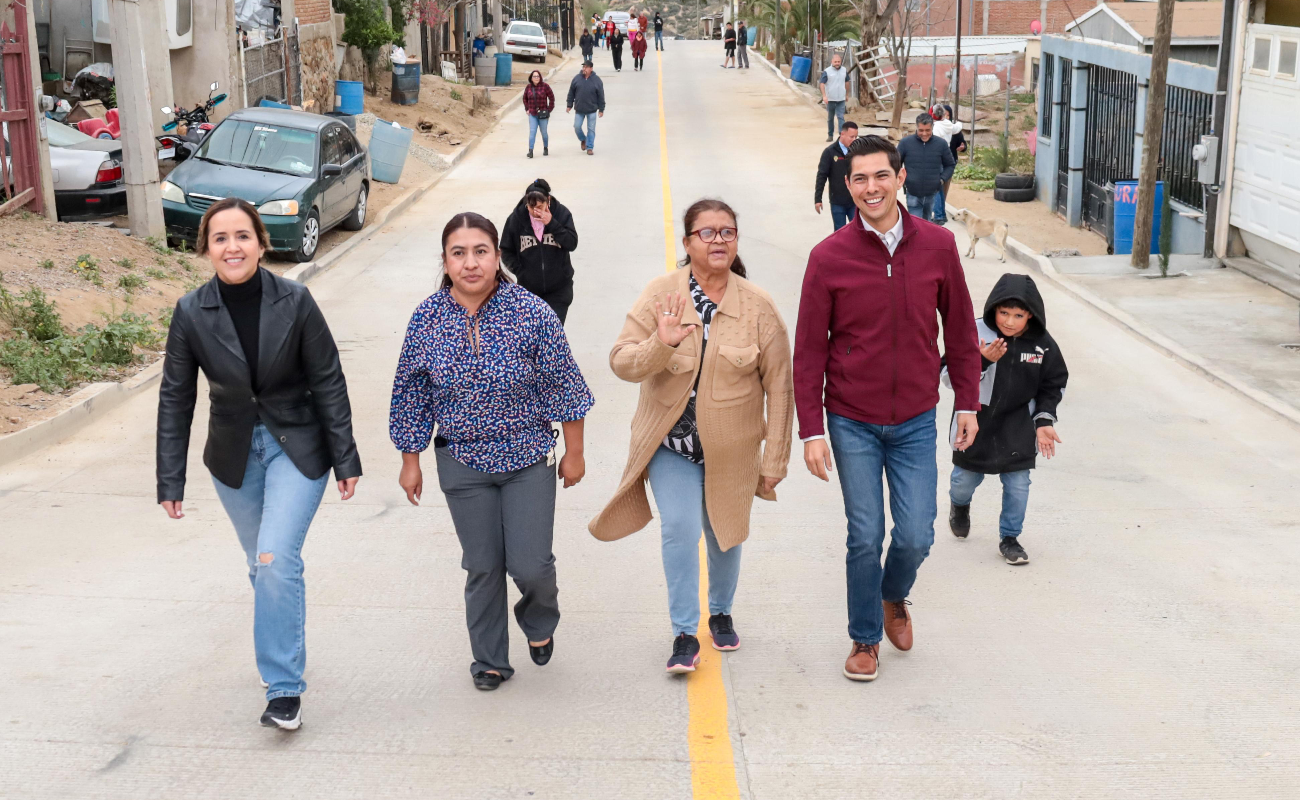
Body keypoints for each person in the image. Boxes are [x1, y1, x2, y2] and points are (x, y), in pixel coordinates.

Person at [156, 197, 362, 731]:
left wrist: (346, 459)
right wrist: (169, 478)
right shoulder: (190, 312)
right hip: (233, 456)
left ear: (261, 242)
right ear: (206, 248)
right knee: (261, 566)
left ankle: (283, 689)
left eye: (242, 236)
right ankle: (283, 641)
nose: (232, 247)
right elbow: (177, 398)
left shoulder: (295, 301)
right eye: (220, 238)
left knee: (274, 559)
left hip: (297, 446)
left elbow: (328, 380)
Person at [793, 135, 982, 683]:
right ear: (847, 187)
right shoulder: (828, 258)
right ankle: (864, 638)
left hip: (918, 416)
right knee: (865, 534)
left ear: (901, 178)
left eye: (880, 176)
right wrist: (812, 430)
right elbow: (809, 349)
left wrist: (966, 400)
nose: (870, 187)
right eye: (859, 179)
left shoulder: (939, 245)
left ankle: (894, 595)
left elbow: (963, 330)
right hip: (851, 417)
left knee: (917, 535)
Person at [390, 212, 594, 692]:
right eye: (458, 253)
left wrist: (575, 451)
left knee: (531, 565)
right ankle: (489, 661)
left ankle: (539, 619)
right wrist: (410, 460)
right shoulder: (427, 318)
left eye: (480, 251)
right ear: (444, 261)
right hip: (462, 461)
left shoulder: (531, 312)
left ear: (497, 256)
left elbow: (564, 384)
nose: (470, 263)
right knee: (482, 565)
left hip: (527, 458)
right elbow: (410, 391)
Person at [590, 199, 794, 674]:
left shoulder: (759, 307)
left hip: (733, 449)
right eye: (707, 232)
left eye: (728, 232)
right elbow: (621, 362)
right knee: (679, 529)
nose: (719, 240)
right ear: (687, 243)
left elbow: (781, 388)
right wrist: (660, 342)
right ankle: (684, 631)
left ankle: (720, 611)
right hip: (670, 447)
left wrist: (774, 461)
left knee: (725, 534)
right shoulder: (662, 294)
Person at [945, 274, 1068, 566]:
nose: (1010, 322)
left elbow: (1053, 383)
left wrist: (1043, 421)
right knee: (964, 481)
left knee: (1018, 484)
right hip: (976, 419)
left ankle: (1010, 538)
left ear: (1031, 314)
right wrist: (983, 360)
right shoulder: (973, 332)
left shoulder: (1042, 344)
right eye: (1003, 313)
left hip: (1018, 422)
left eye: (1018, 315)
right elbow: (947, 377)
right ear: (993, 309)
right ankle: (960, 506)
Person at [500, 178, 579, 322]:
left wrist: (552, 224)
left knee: (552, 334)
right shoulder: (516, 219)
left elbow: (572, 243)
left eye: (540, 207)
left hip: (559, 290)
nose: (536, 212)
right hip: (529, 292)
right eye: (531, 208)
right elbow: (506, 250)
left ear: (548, 200)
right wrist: (520, 272)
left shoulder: (561, 214)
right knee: (533, 339)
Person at [896, 112, 955, 223]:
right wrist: (902, 180)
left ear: (932, 127)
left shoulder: (941, 144)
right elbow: (895, 164)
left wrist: (941, 180)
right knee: (916, 224)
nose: (924, 134)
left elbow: (950, 165)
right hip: (912, 192)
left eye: (928, 130)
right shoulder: (905, 143)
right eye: (921, 130)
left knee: (927, 223)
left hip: (932, 193)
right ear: (916, 128)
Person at [815, 120, 859, 230]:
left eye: (856, 137)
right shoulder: (829, 152)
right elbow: (822, 175)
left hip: (855, 201)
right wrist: (818, 199)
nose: (854, 140)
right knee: (840, 232)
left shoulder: (857, 152)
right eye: (851, 137)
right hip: (837, 202)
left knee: (858, 231)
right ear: (842, 134)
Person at [566, 60, 605, 155]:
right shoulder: (576, 78)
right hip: (579, 109)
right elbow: (571, 93)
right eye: (583, 67)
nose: (584, 69)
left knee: (591, 129)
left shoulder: (597, 80)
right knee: (577, 126)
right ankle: (583, 139)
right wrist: (569, 105)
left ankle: (590, 147)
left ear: (591, 68)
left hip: (592, 110)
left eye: (586, 67)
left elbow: (601, 95)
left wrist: (601, 109)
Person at [522, 70, 554, 159]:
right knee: (532, 132)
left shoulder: (545, 86)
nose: (536, 78)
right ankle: (530, 151)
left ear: (540, 77)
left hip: (543, 114)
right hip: (532, 113)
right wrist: (527, 109)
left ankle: (545, 147)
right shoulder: (528, 87)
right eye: (534, 76)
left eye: (538, 76)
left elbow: (552, 98)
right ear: (531, 78)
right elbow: (525, 99)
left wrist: (549, 109)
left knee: (544, 132)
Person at [819, 53, 849, 142]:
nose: (837, 63)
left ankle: (841, 136)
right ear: (832, 61)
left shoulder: (844, 70)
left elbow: (847, 82)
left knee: (841, 117)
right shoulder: (827, 71)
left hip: (841, 99)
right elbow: (822, 84)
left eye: (838, 61)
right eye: (835, 61)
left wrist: (847, 94)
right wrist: (824, 96)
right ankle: (830, 135)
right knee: (830, 118)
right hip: (830, 99)